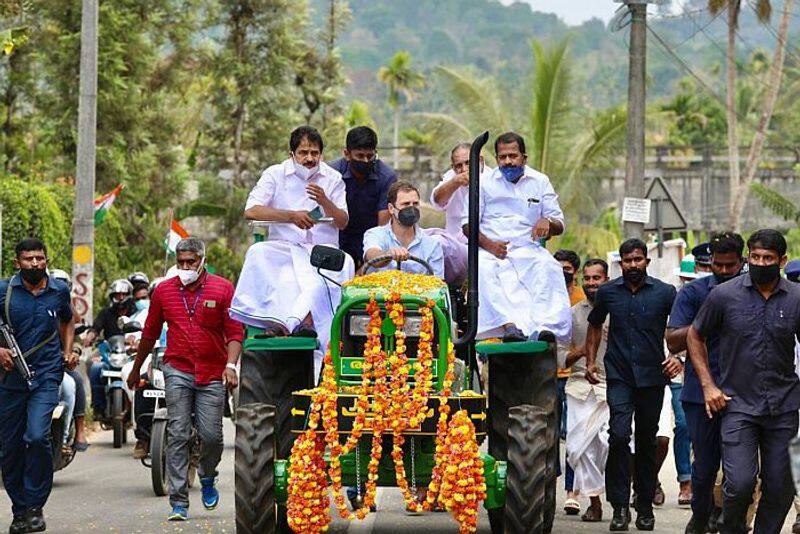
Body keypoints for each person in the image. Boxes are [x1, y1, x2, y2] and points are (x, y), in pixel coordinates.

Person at [687, 229, 800, 534]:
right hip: (738, 406)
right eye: (756, 257)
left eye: (768, 258)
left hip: (785, 407)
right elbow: (694, 335)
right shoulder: (724, 296)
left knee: (781, 487)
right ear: (748, 257)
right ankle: (732, 529)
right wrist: (709, 386)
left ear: (782, 261)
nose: (761, 262)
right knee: (738, 484)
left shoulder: (797, 299)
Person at [126, 237, 243, 521]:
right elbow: (150, 333)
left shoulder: (223, 288)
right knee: (177, 433)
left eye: (191, 262)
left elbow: (235, 332)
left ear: (202, 260)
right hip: (176, 369)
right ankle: (178, 502)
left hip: (212, 371)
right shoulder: (164, 291)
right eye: (181, 263)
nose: (186, 267)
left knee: (211, 436)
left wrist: (231, 366)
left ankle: (207, 476)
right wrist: (136, 368)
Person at [230, 125, 353, 377]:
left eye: (315, 153)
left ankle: (296, 326)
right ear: (292, 154)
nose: (309, 159)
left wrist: (324, 201)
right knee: (257, 254)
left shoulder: (332, 178)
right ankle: (274, 321)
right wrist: (291, 217)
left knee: (333, 272)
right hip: (284, 249)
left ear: (321, 154)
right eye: (304, 152)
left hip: (322, 252)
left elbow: (342, 222)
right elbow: (251, 210)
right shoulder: (275, 174)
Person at [584, 238, 678, 531]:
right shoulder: (609, 293)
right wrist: (590, 361)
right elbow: (595, 324)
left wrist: (677, 357)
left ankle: (645, 506)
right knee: (619, 435)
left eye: (638, 259)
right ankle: (620, 507)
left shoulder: (665, 292)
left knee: (648, 441)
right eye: (627, 261)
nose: (633, 265)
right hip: (620, 375)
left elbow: (681, 329)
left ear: (646, 262)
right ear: (620, 264)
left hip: (653, 376)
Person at [666, 232, 745, 532]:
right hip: (700, 394)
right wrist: (702, 323)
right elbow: (672, 340)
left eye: (731, 266)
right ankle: (701, 516)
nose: (724, 271)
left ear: (743, 261)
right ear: (710, 261)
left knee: (740, 470)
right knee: (704, 468)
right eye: (718, 265)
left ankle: (731, 520)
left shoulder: (753, 292)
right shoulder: (694, 293)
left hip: (743, 394)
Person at [462, 131, 571, 343]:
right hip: (491, 250)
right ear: (496, 159)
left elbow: (559, 223)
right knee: (482, 269)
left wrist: (547, 223)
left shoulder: (540, 181)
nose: (508, 161)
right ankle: (509, 326)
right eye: (502, 157)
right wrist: (490, 245)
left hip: (528, 250)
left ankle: (546, 328)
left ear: (524, 157)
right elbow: (467, 225)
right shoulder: (484, 182)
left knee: (549, 267)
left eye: (513, 156)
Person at [0, 238, 76, 534]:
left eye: (40, 258)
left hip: (46, 375)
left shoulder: (58, 290)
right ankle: (19, 511)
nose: (35, 264)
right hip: (11, 380)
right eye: (29, 259)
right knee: (10, 448)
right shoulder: (5, 291)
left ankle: (35, 506)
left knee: (36, 436)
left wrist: (68, 350)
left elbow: (68, 321)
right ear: (17, 262)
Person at [564, 258, 610, 522]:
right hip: (580, 387)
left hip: (612, 387)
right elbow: (560, 354)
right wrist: (582, 352)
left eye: (597, 278)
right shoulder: (572, 315)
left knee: (609, 443)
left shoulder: (619, 311)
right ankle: (594, 501)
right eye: (588, 278)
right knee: (578, 447)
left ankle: (615, 492)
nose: (592, 283)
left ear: (607, 279)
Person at [426, 142, 493, 286]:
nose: (464, 169)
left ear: (480, 161)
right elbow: (437, 201)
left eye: (469, 163)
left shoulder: (494, 179)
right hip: (456, 245)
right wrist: (454, 183)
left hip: (485, 247)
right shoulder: (451, 177)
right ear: (453, 167)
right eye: (459, 166)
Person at [329, 126, 396, 267]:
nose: (365, 161)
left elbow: (382, 224)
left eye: (370, 156)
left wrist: (369, 259)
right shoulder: (332, 174)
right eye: (359, 156)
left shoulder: (387, 177)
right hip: (335, 235)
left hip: (370, 238)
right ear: (347, 154)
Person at [554, 248, 586, 514]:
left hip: (576, 375)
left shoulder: (583, 298)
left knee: (574, 435)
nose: (562, 273)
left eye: (567, 268)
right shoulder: (546, 295)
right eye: (558, 268)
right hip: (549, 374)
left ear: (574, 272)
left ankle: (572, 491)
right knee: (550, 434)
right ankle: (545, 479)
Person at [363, 181, 444, 279]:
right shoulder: (375, 234)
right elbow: (371, 255)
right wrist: (388, 255)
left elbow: (438, 285)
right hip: (379, 292)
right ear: (391, 208)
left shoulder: (433, 244)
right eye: (405, 204)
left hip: (418, 293)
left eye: (415, 204)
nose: (411, 208)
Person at [48, 268, 90, 451]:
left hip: (60, 364)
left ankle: (70, 434)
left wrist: (72, 352)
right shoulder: (38, 306)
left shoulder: (69, 311)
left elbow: (78, 339)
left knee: (73, 384)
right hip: (34, 365)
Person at [85, 278, 136, 415]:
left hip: (132, 352)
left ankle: (139, 410)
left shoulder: (136, 313)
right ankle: (98, 406)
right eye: (116, 295)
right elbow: (96, 328)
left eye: (123, 295)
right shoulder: (106, 313)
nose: (120, 298)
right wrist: (90, 336)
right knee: (93, 366)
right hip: (109, 351)